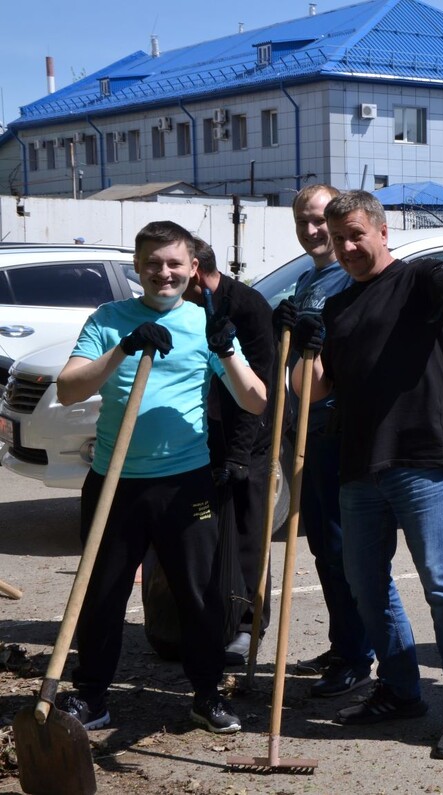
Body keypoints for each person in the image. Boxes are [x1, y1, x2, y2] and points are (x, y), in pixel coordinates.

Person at [284, 190, 443, 760]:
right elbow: (314, 392)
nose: (347, 247)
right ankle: (400, 689)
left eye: (356, 234)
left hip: (421, 456)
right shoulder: (339, 305)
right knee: (365, 585)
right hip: (359, 463)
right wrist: (304, 348)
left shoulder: (418, 279)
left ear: (381, 230)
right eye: (338, 237)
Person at [55, 220, 268, 734]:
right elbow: (67, 389)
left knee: (200, 596)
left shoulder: (204, 323)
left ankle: (207, 695)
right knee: (101, 593)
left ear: (192, 268)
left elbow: (256, 401)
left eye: (175, 263)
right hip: (115, 482)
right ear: (137, 267)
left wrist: (224, 351)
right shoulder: (109, 319)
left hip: (186, 484)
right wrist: (124, 348)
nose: (164, 273)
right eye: (153, 263)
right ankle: (92, 696)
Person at [273, 184, 376, 698]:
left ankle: (358, 656)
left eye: (319, 220)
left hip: (336, 431)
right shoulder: (312, 277)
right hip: (305, 431)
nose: (312, 231)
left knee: (339, 548)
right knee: (321, 546)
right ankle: (344, 644)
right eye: (303, 222)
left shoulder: (351, 277)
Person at [185, 238, 275, 664]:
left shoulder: (247, 306)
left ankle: (248, 624)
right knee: (208, 528)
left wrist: (239, 456)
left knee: (248, 529)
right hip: (207, 433)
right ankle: (214, 614)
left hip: (251, 434)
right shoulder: (184, 306)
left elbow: (261, 390)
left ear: (197, 269)